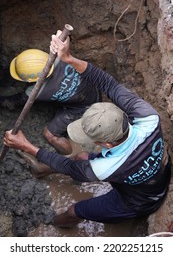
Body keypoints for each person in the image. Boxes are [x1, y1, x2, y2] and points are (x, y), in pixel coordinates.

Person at [4, 30, 171, 228]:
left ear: (106, 144)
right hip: (156, 175)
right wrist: (67, 58)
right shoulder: (148, 118)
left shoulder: (106, 167)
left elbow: (68, 168)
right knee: (81, 157)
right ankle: (41, 171)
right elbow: (107, 82)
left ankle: (54, 226)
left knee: (74, 211)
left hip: (139, 202)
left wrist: (25, 146)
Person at [0, 48, 101, 155]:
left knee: (50, 134)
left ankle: (70, 155)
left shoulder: (36, 92)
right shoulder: (61, 56)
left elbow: (14, 102)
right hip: (94, 88)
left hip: (85, 108)